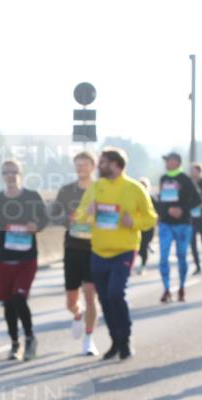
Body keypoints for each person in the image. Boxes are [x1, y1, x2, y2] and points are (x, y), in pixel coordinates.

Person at [75, 148, 157, 360]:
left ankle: (125, 339)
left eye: (103, 162)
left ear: (116, 165)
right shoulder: (96, 187)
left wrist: (134, 222)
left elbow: (151, 218)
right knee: (104, 298)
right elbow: (79, 216)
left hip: (124, 250)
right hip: (99, 251)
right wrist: (88, 213)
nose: (99, 166)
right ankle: (115, 340)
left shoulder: (134, 188)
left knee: (115, 294)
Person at [0, 159, 46, 361]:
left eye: (14, 172)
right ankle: (14, 343)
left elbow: (44, 220)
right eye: (6, 172)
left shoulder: (32, 197)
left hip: (26, 258)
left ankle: (30, 337)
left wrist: (36, 226)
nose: (10, 176)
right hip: (4, 258)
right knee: (8, 304)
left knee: (19, 298)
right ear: (2, 176)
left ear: (21, 174)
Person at [52, 150, 100, 356]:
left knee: (90, 295)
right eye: (78, 164)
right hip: (72, 248)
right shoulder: (66, 191)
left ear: (93, 166)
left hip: (94, 248)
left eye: (85, 164)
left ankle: (89, 339)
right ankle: (78, 314)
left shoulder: (101, 189)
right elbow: (54, 214)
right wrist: (68, 219)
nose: (81, 168)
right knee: (71, 302)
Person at [155, 151, 200, 303]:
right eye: (166, 160)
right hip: (166, 224)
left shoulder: (186, 179)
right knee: (163, 257)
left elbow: (197, 199)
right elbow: (161, 201)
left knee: (181, 256)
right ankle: (166, 289)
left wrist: (182, 209)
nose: (166, 163)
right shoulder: (163, 178)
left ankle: (181, 287)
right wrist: (167, 210)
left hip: (183, 224)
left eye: (168, 160)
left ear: (176, 162)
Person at [136, 177, 157, 276]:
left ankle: (143, 265)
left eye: (144, 185)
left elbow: (158, 211)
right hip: (137, 226)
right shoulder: (134, 198)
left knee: (143, 245)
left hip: (148, 227)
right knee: (139, 247)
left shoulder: (152, 198)